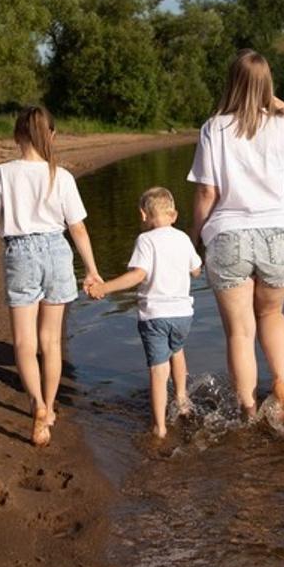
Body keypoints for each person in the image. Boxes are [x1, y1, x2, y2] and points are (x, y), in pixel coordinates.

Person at [0, 105, 101, 446]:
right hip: (58, 253)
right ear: (52, 136)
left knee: (24, 342)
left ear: (16, 135)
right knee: (51, 342)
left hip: (20, 254)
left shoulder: (4, 173)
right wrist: (92, 270)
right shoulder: (60, 176)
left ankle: (36, 403)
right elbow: (78, 229)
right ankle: (48, 410)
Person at [188, 49, 284, 421]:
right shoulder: (282, 125)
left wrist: (194, 238)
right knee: (272, 313)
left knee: (240, 333)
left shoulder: (214, 127)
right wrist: (283, 106)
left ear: (232, 82)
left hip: (229, 236)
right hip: (277, 235)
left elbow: (207, 192)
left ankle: (247, 412)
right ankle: (281, 383)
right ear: (266, 85)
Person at [85, 186, 202, 440]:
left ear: (143, 215)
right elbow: (196, 270)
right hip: (183, 315)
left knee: (158, 370)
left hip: (155, 315)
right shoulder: (183, 238)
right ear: (174, 215)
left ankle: (160, 427)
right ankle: (182, 399)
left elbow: (138, 275)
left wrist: (104, 287)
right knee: (177, 350)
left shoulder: (145, 240)